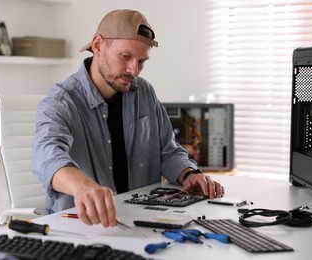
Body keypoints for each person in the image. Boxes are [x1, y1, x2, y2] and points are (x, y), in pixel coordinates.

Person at [32, 9, 224, 228]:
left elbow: (168, 151)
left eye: (141, 61)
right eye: (125, 56)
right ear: (97, 45)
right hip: (81, 228)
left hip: (141, 222)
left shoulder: (144, 92)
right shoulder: (60, 101)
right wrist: (83, 186)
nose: (133, 70)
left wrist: (188, 173)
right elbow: (46, 157)